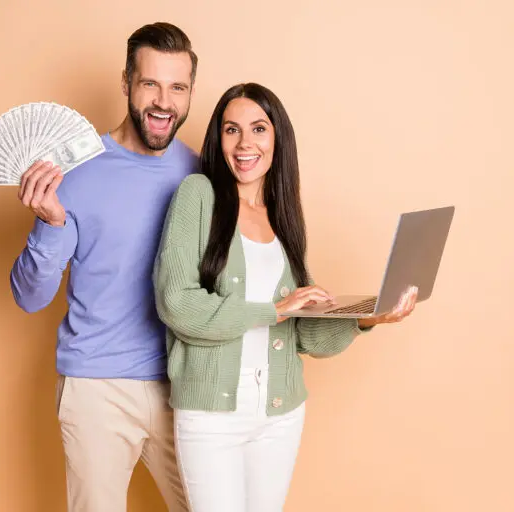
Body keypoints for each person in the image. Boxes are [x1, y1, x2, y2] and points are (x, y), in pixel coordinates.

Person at [152, 82, 419, 512]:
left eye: (259, 129)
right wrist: (273, 309)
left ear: (278, 139)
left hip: (280, 412)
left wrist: (365, 318)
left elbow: (304, 336)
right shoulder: (197, 195)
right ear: (218, 138)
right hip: (212, 417)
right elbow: (176, 303)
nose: (244, 144)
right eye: (231, 130)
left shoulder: (284, 214)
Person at [10, 22, 198, 512]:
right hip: (96, 388)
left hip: (183, 385)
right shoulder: (74, 168)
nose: (163, 101)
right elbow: (30, 297)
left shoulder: (201, 174)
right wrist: (50, 225)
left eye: (177, 87)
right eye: (150, 83)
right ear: (126, 83)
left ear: (190, 93)